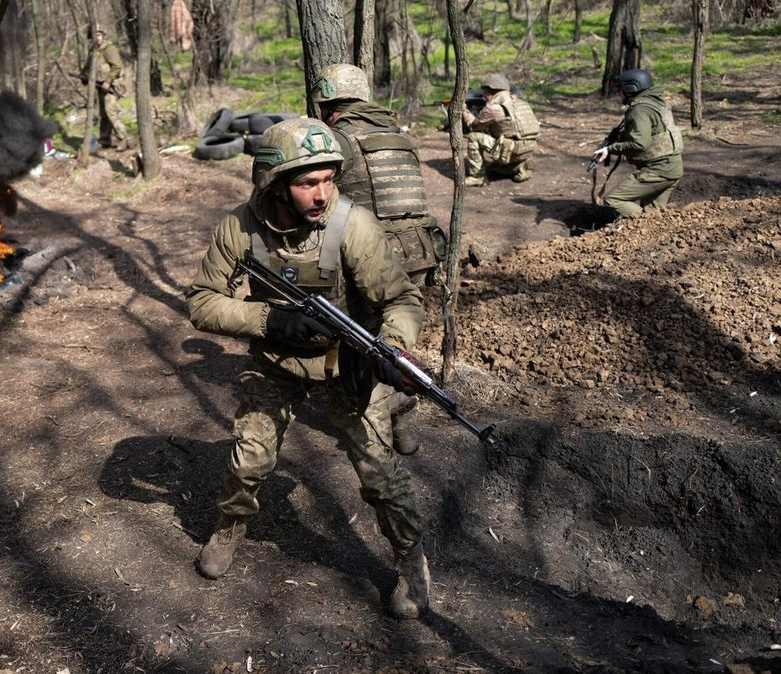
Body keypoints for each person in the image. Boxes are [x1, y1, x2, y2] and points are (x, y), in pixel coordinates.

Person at [186, 117, 432, 619]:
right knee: (250, 458)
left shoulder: (352, 224)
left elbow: (402, 300)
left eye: (329, 180)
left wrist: (391, 349)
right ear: (275, 184)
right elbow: (201, 302)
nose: (322, 194)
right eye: (307, 182)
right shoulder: (240, 226)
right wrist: (268, 318)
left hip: (349, 362)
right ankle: (231, 524)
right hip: (277, 361)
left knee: (378, 474)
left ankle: (412, 560)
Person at [310, 62, 441, 456]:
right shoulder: (399, 135)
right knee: (392, 339)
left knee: (363, 348)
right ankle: (405, 424)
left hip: (374, 259)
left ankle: (381, 429)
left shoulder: (337, 139)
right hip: (418, 252)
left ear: (329, 105)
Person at [590, 68, 683, 219]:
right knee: (653, 213)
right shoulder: (654, 102)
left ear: (631, 88)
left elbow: (640, 144)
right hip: (672, 167)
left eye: (620, 89)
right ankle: (652, 231)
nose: (618, 93)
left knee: (613, 200)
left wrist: (610, 149)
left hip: (659, 170)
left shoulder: (639, 110)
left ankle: (645, 226)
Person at [462, 74, 540, 186]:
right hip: (529, 148)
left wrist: (464, 111)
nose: (482, 95)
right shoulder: (520, 102)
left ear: (489, 92)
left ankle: (477, 177)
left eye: (484, 92)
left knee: (474, 136)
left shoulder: (494, 107)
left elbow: (475, 126)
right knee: (493, 168)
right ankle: (521, 166)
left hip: (511, 150)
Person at [90, 27, 128, 151]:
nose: (97, 37)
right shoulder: (93, 50)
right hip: (99, 85)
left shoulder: (109, 49)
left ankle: (123, 138)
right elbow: (90, 66)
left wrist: (108, 81)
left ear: (103, 35)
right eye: (95, 34)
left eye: (99, 34)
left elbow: (117, 67)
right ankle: (105, 139)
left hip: (111, 86)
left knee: (111, 111)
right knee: (103, 114)